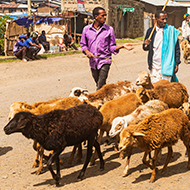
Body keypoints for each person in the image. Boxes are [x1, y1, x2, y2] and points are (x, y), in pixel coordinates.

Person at [80, 7, 134, 90]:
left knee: (101, 83)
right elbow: (83, 44)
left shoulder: (109, 29)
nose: (105, 17)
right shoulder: (86, 29)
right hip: (93, 61)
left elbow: (112, 46)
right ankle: (105, 99)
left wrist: (122, 46)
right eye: (103, 15)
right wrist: (87, 52)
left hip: (105, 60)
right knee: (99, 83)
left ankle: (96, 100)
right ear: (96, 16)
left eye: (106, 15)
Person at [143, 10, 181, 83]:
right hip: (154, 66)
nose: (165, 21)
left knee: (165, 88)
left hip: (167, 66)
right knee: (155, 88)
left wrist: (176, 63)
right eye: (162, 19)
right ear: (156, 19)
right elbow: (145, 48)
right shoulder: (150, 31)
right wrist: (146, 44)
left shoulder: (171, 31)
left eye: (166, 19)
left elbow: (177, 49)